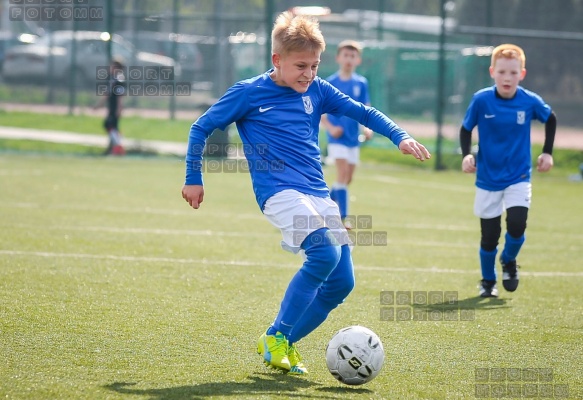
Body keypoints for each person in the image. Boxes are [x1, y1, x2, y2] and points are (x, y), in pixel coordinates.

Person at [182, 11, 431, 374]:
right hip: (280, 192)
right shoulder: (248, 93)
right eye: (301, 66)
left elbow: (362, 111)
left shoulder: (318, 89)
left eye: (315, 65)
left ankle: (282, 344)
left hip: (317, 192)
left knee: (342, 282)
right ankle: (276, 336)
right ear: (276, 60)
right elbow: (200, 128)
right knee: (323, 254)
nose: (309, 74)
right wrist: (194, 177)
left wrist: (400, 136)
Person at [459, 43, 556, 298]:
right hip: (488, 178)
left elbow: (551, 118)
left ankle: (509, 259)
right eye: (502, 72)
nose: (507, 78)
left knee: (517, 223)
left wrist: (547, 152)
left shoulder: (529, 101)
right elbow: (466, 128)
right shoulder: (481, 100)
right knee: (489, 236)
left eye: (513, 73)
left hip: (519, 176)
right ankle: (488, 282)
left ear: (522, 74)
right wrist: (467, 154)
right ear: (493, 72)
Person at [320, 40, 373, 227]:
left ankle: (323, 205)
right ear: (338, 58)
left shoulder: (361, 83)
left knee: (347, 178)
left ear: (358, 60)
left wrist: (367, 127)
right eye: (346, 55)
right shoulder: (330, 83)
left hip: (352, 139)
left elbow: (366, 109)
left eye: (353, 56)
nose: (349, 59)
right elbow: (320, 112)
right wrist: (331, 128)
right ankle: (342, 218)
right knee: (342, 174)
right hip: (336, 138)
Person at [94, 59, 126, 156]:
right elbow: (107, 94)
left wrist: (119, 108)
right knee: (111, 126)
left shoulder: (119, 79)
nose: (110, 68)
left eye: (112, 66)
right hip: (111, 106)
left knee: (110, 125)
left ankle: (118, 147)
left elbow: (120, 96)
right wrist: (99, 105)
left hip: (115, 107)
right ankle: (115, 147)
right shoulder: (112, 79)